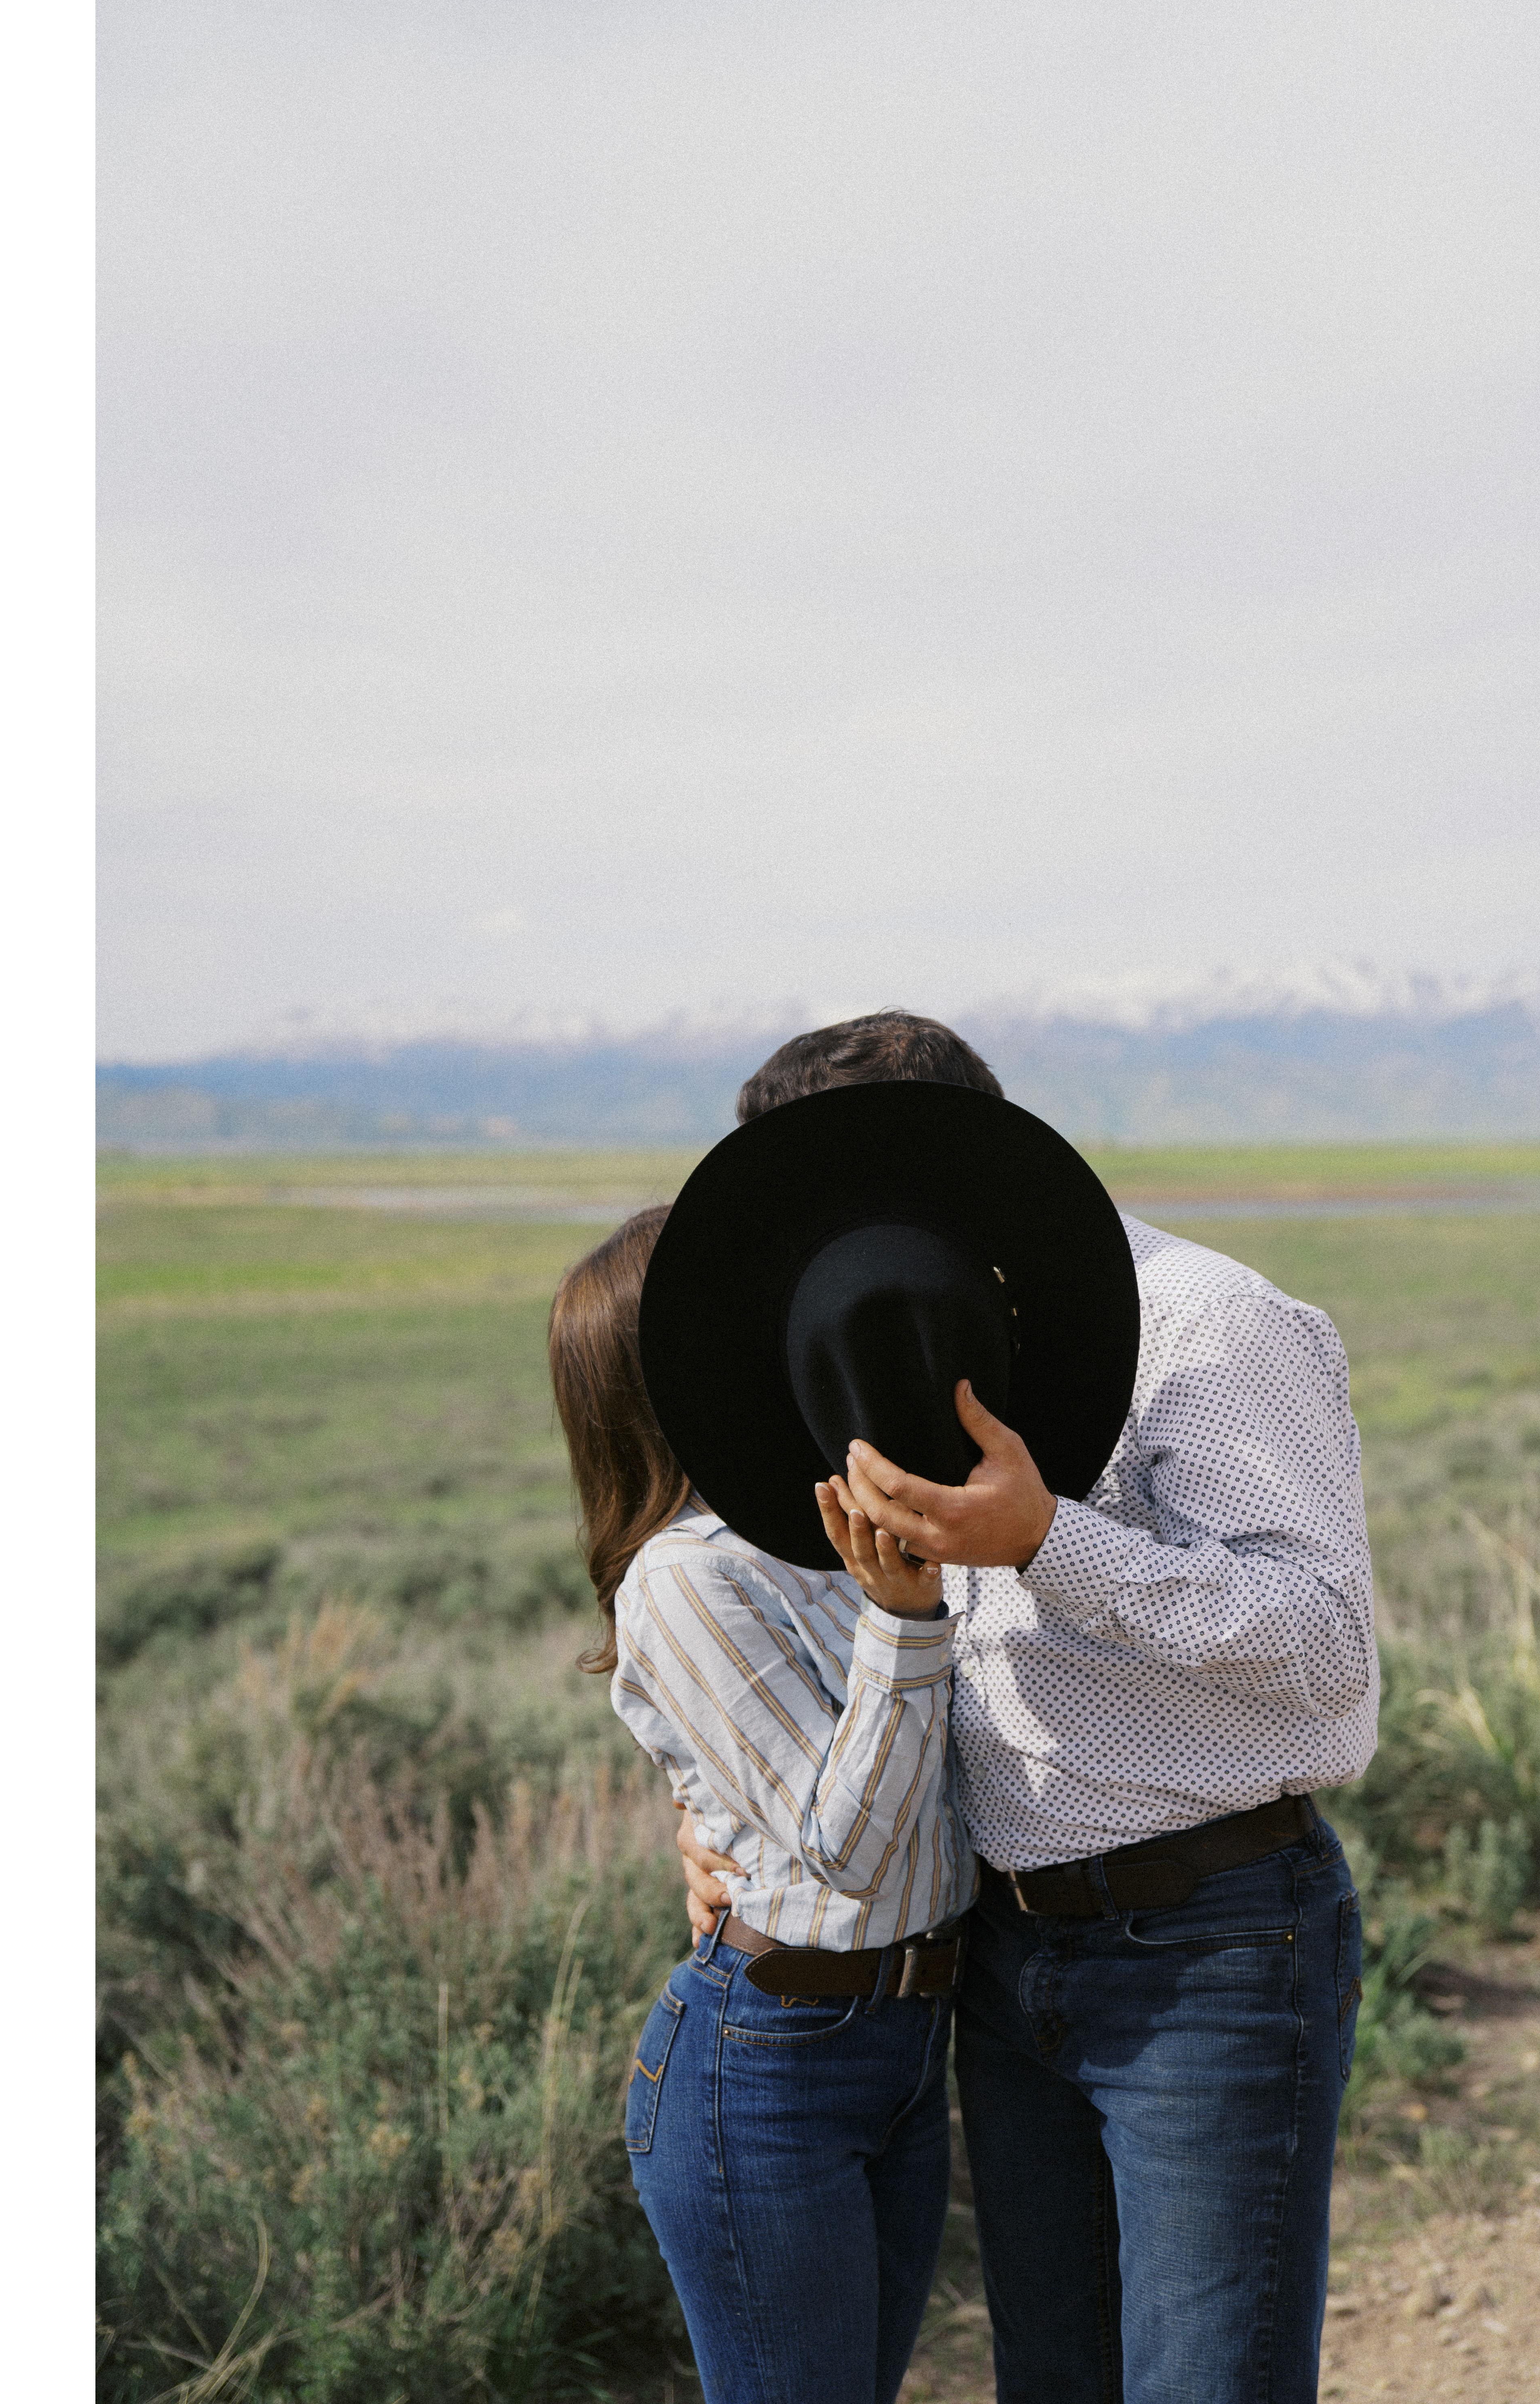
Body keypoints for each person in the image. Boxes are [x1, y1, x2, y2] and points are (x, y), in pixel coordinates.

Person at [677, 1011, 1382, 2404]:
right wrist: (712, 1814)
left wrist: (1049, 1539)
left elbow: (1327, 1651)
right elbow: (829, 1639)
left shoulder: (1209, 1325)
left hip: (1214, 1945)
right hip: (1001, 1953)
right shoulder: (861, 1339)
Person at [547, 1202, 977, 2404]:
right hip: (770, 2066)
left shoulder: (819, 1530)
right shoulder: (685, 1578)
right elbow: (848, 1848)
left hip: (902, 2041)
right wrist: (904, 1619)